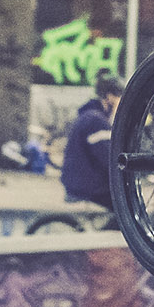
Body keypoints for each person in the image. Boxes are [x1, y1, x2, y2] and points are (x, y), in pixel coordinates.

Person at [59, 75, 123, 210]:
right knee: (125, 208)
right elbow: (108, 158)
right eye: (119, 97)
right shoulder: (96, 120)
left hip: (79, 182)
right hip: (86, 186)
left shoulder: (90, 115)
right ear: (110, 97)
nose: (121, 103)